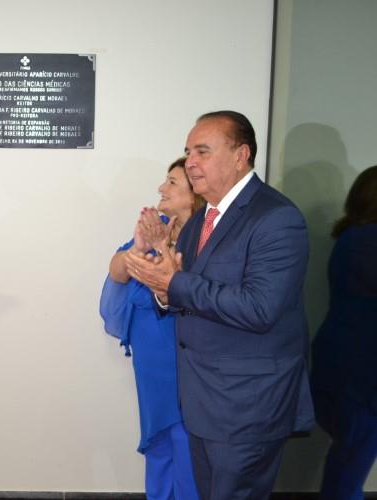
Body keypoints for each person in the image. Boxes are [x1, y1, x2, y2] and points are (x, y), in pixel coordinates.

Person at [127, 111, 315, 500]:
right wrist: (163, 288)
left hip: (247, 407)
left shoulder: (277, 217)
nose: (190, 162)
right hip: (203, 403)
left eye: (202, 151)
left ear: (240, 155)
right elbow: (185, 296)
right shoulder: (202, 219)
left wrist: (175, 283)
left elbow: (260, 308)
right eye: (188, 152)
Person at [100, 158, 204, 499]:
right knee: (158, 443)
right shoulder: (156, 225)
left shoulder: (207, 235)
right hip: (151, 360)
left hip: (186, 356)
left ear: (194, 193)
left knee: (186, 442)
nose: (162, 188)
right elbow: (117, 271)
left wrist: (163, 251)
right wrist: (138, 248)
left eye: (172, 182)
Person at [311, 165, 377, 500]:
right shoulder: (367, 241)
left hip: (345, 364)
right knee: (348, 470)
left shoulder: (352, 238)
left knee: (347, 463)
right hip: (360, 374)